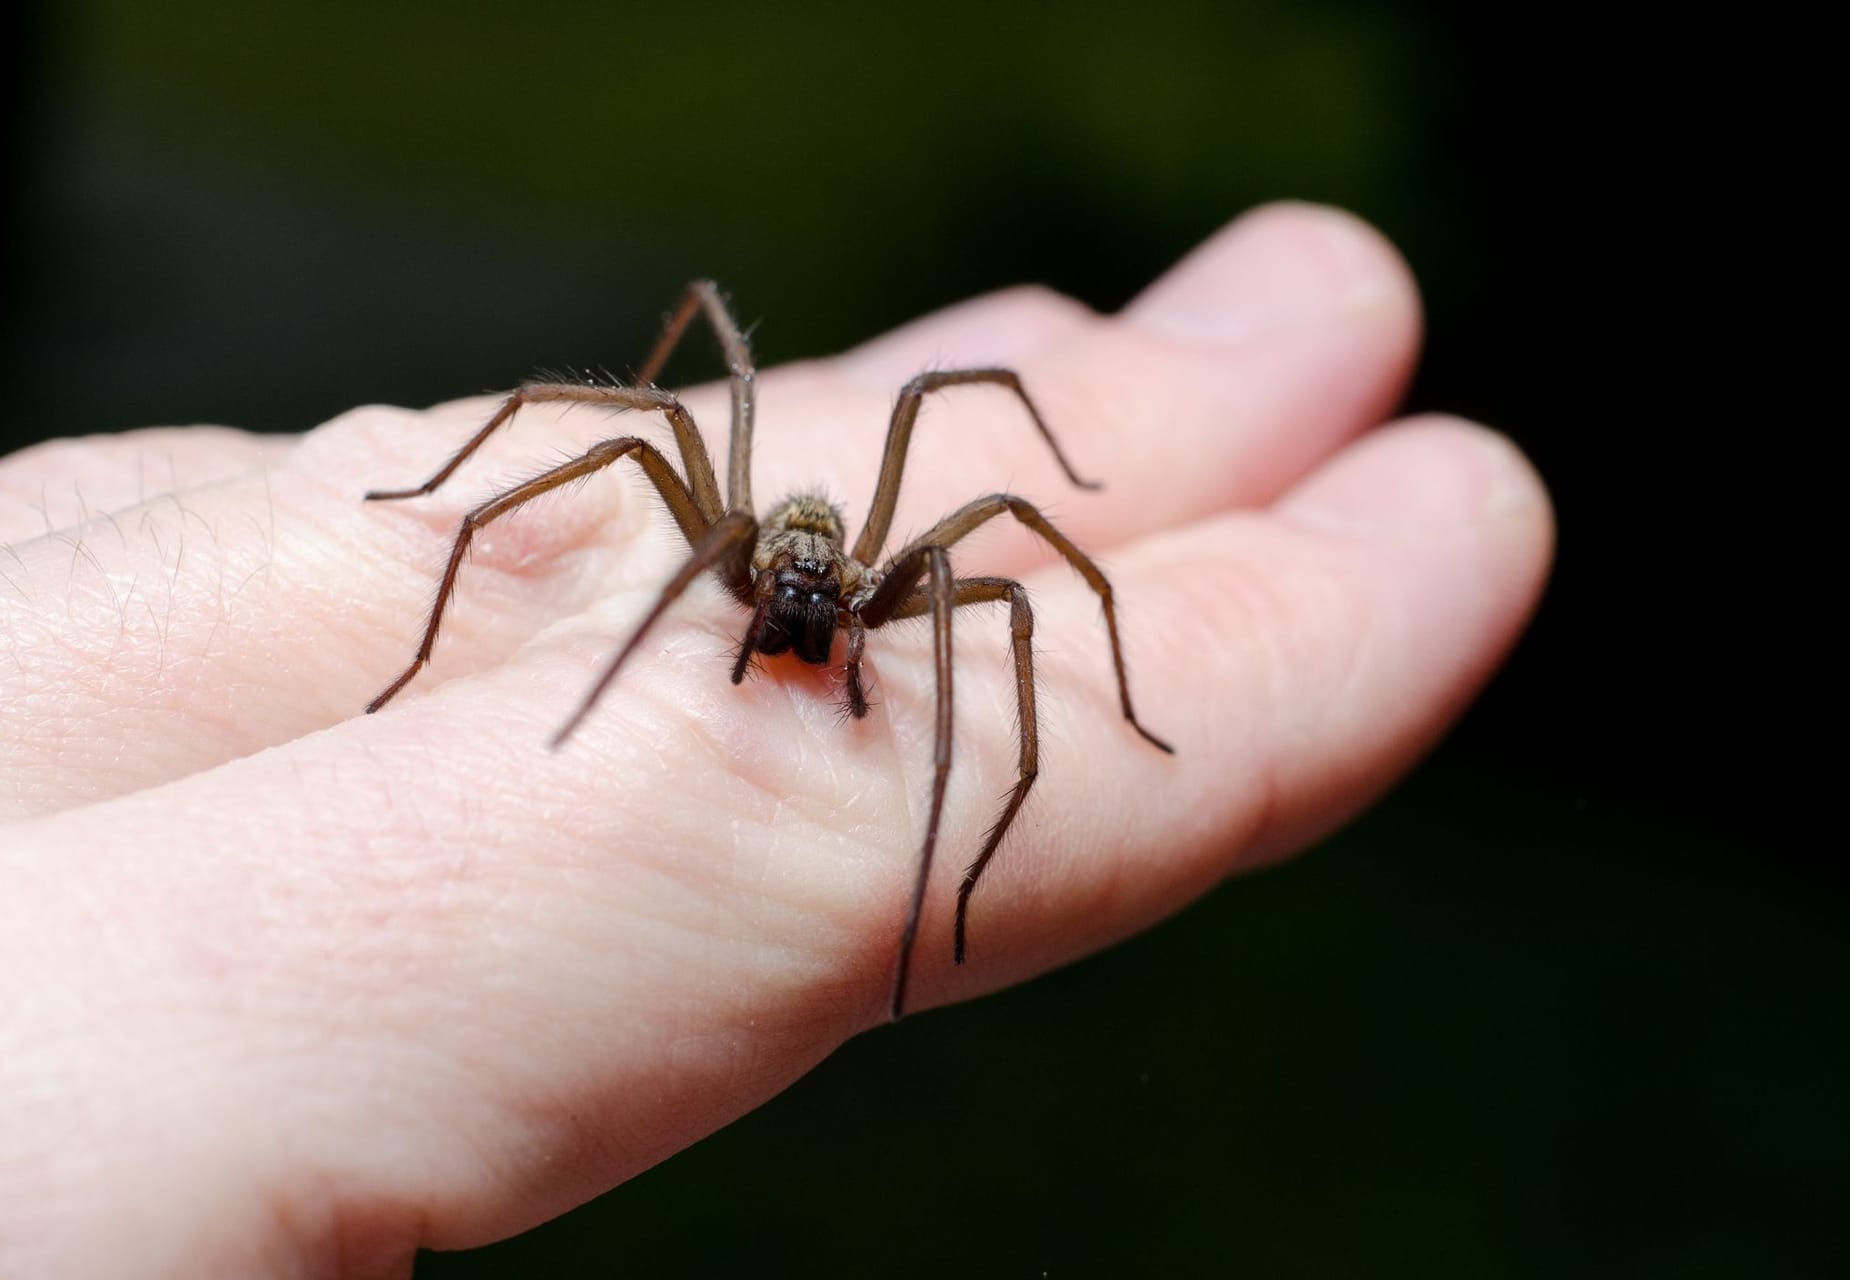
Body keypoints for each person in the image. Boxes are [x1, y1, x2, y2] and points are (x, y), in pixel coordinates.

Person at [0, 204, 1552, 1274]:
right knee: (652, 416)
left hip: (872, 562)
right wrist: (518, 634)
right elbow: (634, 419)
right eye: (779, 596)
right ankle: (457, 583)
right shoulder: (741, 554)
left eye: (812, 602)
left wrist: (955, 884)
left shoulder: (874, 584)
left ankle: (956, 867)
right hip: (742, 519)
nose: (801, 613)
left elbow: (1015, 547)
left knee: (1006, 559)